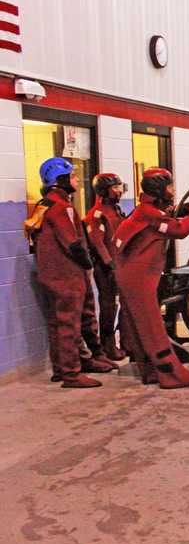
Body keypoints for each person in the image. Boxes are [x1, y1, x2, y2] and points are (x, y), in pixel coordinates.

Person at [113, 168, 189, 389]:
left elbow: (169, 217)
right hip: (138, 276)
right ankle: (169, 373)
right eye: (169, 186)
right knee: (151, 326)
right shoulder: (148, 213)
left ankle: (150, 371)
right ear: (158, 188)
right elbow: (178, 229)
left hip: (133, 273)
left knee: (139, 326)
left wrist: (187, 209)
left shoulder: (148, 211)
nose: (173, 190)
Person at [27, 157, 102, 388]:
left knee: (57, 322)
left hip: (49, 274)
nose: (77, 180)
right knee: (69, 324)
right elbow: (73, 243)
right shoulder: (63, 207)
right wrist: (89, 265)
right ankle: (71, 373)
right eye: (72, 176)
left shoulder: (43, 205)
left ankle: (61, 369)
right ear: (60, 180)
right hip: (67, 275)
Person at [85, 173, 127, 360]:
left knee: (119, 305)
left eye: (119, 187)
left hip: (119, 265)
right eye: (115, 188)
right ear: (104, 190)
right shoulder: (97, 214)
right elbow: (96, 241)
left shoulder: (116, 210)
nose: (119, 191)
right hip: (106, 269)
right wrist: (108, 263)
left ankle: (123, 343)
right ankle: (107, 346)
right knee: (108, 305)